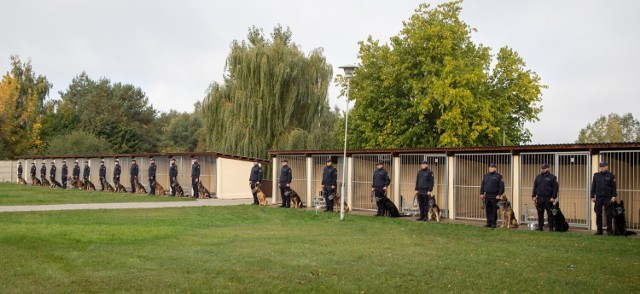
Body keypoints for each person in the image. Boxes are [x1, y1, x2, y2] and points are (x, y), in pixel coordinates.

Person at [591, 161, 617, 235]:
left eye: (603, 166)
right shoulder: (596, 175)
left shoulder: (611, 175)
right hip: (598, 197)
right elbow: (593, 186)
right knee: (598, 213)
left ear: (607, 167)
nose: (602, 168)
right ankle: (599, 230)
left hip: (608, 197)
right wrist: (592, 196)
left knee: (608, 214)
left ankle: (609, 230)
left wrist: (613, 196)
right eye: (601, 166)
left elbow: (614, 187)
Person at [532, 163, 559, 231]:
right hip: (540, 197)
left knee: (550, 213)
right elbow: (535, 187)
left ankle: (551, 227)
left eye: (544, 168)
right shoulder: (538, 177)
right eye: (542, 168)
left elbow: (555, 188)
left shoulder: (552, 177)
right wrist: (533, 196)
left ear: (548, 168)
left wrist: (553, 197)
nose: (543, 169)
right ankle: (540, 226)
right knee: (540, 213)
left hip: (548, 198)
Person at [480, 163, 504, 228]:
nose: (490, 168)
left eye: (492, 167)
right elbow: (482, 185)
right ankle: (488, 222)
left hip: (495, 196)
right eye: (490, 167)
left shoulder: (498, 176)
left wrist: (499, 195)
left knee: (494, 209)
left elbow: (501, 187)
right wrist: (481, 193)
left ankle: (493, 223)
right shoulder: (485, 176)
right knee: (488, 209)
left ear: (495, 168)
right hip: (487, 196)